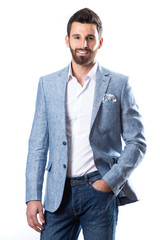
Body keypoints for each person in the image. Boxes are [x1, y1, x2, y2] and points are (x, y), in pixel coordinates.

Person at [26, 8, 146, 240]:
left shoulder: (119, 84)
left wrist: (110, 181)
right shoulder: (47, 84)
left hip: (99, 189)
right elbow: (37, 145)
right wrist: (33, 196)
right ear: (67, 40)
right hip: (57, 194)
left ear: (100, 42)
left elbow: (137, 142)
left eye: (90, 38)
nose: (84, 44)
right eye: (77, 37)